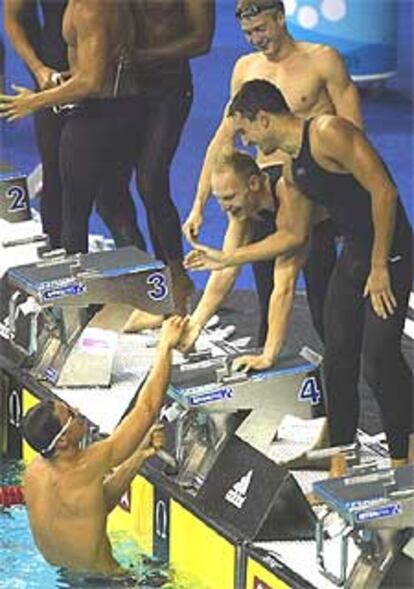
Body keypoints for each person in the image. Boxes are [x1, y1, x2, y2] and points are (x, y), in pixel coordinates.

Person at [187, 79, 413, 468]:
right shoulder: (293, 171)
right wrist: (228, 259)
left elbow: (385, 192)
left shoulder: (328, 132)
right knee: (338, 360)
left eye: (244, 132)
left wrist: (379, 265)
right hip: (356, 258)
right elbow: (292, 236)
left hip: (390, 254)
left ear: (262, 119)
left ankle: (403, 462)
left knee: (377, 361)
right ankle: (340, 461)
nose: (245, 143)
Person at [183, 0, 362, 343]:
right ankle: (269, 367)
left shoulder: (322, 61)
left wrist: (347, 205)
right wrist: (199, 204)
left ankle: (341, 372)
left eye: (261, 29)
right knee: (269, 294)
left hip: (313, 197)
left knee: (324, 298)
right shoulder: (246, 69)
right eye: (248, 33)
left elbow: (354, 138)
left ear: (281, 18)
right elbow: (223, 140)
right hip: (261, 194)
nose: (255, 39)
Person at [21, 315, 187, 578]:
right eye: (70, 415)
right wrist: (165, 345)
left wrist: (139, 456)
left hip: (66, 578)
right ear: (62, 440)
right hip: (109, 582)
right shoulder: (87, 464)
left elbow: (90, 510)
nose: (77, 411)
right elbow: (147, 408)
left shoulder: (33, 473)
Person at [0, 0, 144, 256]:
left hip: (99, 106)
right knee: (66, 191)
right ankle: (66, 279)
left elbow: (91, 81)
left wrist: (33, 101)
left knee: (101, 200)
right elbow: (14, 16)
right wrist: (41, 72)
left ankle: (137, 282)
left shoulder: (91, 8)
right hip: (81, 97)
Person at [100, 0, 216, 316]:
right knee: (107, 187)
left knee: (151, 180)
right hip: (125, 88)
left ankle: (176, 275)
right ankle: (142, 275)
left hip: (168, 89)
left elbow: (201, 40)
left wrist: (141, 56)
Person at [179, 146, 310, 373]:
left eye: (229, 197)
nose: (224, 207)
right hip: (270, 219)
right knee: (266, 303)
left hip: (319, 228)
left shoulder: (287, 192)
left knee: (325, 311)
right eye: (219, 199)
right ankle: (265, 381)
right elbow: (225, 271)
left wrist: (268, 356)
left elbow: (285, 285)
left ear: (254, 184)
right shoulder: (243, 207)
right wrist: (195, 325)